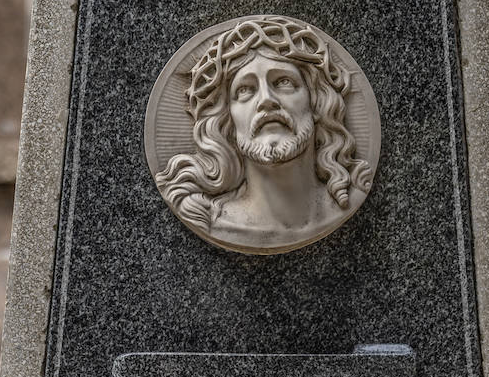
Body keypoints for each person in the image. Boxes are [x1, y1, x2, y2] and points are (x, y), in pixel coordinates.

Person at [155, 16, 373, 250]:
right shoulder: (214, 222)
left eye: (283, 82)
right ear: (226, 122)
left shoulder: (356, 193)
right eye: (245, 90)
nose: (267, 101)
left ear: (317, 104)